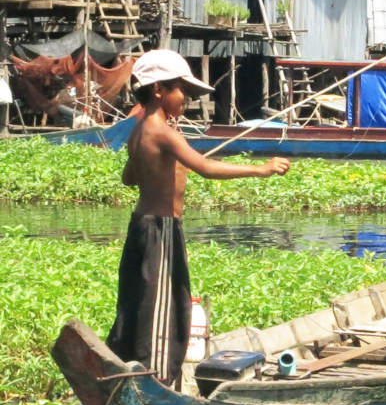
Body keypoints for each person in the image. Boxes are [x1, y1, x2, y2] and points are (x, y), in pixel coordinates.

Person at [106, 49, 290, 386]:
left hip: (144, 226)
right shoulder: (161, 131)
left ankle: (130, 368)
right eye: (182, 91)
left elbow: (128, 178)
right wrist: (261, 169)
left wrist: (162, 163)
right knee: (164, 311)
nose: (187, 99)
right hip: (160, 229)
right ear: (159, 90)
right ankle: (155, 380)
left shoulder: (139, 130)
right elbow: (206, 168)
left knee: (140, 302)